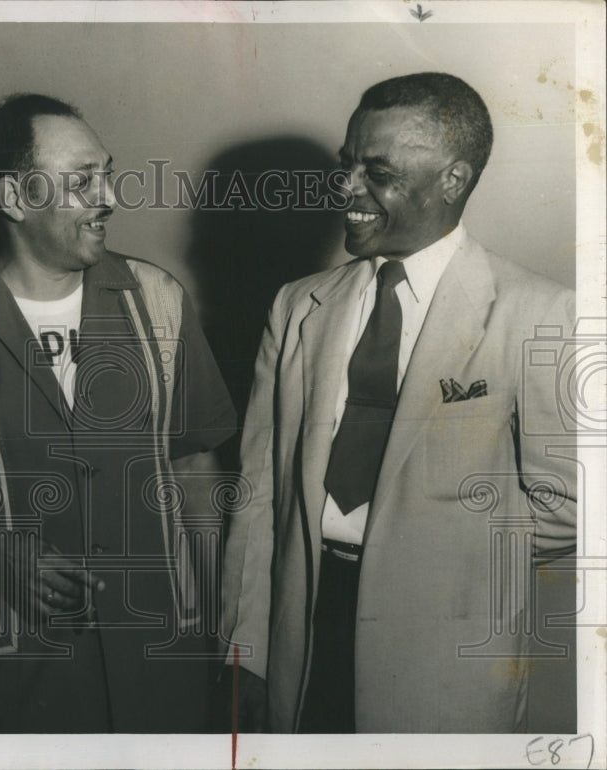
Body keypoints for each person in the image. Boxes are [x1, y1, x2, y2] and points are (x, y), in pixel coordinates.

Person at [221, 72, 576, 733]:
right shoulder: (297, 305)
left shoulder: (539, 313)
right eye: (346, 163)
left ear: (453, 179)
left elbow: (572, 503)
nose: (346, 186)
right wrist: (244, 651)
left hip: (445, 659)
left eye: (375, 171)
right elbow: (257, 494)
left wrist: (428, 555)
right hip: (303, 637)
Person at [0, 93, 237, 732]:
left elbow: (197, 471)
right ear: (11, 198)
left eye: (106, 174)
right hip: (15, 680)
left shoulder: (160, 300)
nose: (109, 197)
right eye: (82, 181)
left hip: (161, 663)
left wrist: (217, 633)